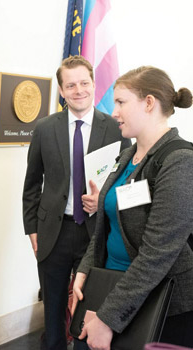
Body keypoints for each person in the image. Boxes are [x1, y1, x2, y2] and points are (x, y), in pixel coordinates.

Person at [72, 66, 193, 350]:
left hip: (156, 302)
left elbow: (157, 254)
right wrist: (85, 269)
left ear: (149, 103)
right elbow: (107, 221)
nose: (114, 112)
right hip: (108, 284)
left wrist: (108, 319)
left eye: (121, 102)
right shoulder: (127, 155)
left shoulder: (180, 161)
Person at [22, 55, 131, 350]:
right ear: (61, 90)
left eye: (84, 83)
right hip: (52, 234)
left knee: (90, 308)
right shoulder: (44, 129)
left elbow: (129, 184)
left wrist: (104, 200)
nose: (78, 90)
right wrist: (31, 229)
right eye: (70, 85)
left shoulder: (117, 129)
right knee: (54, 310)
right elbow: (32, 184)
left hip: (97, 233)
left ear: (94, 84)